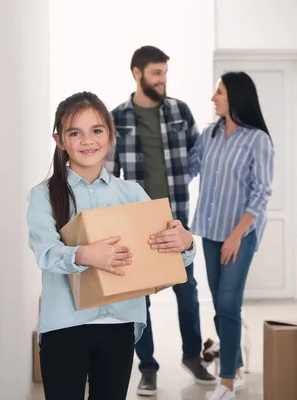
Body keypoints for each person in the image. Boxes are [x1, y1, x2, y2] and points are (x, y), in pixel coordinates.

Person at [27, 91, 196, 400]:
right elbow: (45, 252)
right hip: (65, 326)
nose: (87, 140)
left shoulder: (131, 194)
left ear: (110, 134)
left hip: (120, 324)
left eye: (97, 130)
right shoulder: (44, 195)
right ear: (60, 140)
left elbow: (165, 259)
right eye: (75, 132)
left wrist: (184, 243)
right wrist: (85, 254)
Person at [108, 45, 216, 396]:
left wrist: (183, 181)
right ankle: (148, 368)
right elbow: (110, 174)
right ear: (137, 74)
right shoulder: (117, 118)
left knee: (188, 292)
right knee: (141, 299)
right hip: (138, 224)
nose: (163, 80)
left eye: (165, 72)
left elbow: (197, 155)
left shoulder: (179, 112)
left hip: (176, 221)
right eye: (156, 73)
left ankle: (192, 357)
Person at [188, 71, 275, 400]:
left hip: (240, 234)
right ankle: (236, 366)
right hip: (210, 232)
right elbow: (190, 168)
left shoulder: (258, 140)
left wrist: (237, 235)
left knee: (227, 303)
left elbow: (261, 193)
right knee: (222, 305)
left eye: (219, 92)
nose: (213, 98)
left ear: (236, 97)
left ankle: (226, 381)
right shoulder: (209, 135)